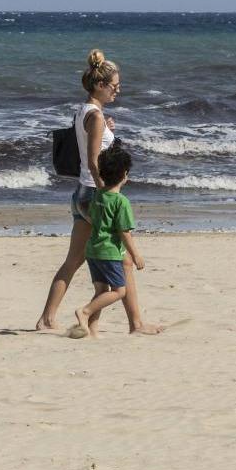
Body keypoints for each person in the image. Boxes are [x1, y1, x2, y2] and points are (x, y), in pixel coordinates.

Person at [35, 49, 161, 335]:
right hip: (93, 195)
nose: (118, 90)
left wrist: (108, 129)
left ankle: (47, 319)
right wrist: (106, 193)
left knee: (75, 260)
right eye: (114, 86)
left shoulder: (86, 111)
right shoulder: (96, 116)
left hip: (81, 194)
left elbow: (91, 143)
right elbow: (93, 160)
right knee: (124, 258)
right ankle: (135, 324)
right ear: (100, 85)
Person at [70, 140, 142, 339]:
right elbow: (124, 232)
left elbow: (88, 213)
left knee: (101, 290)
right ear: (125, 175)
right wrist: (136, 255)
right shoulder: (121, 201)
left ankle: (92, 330)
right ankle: (84, 311)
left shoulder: (99, 196)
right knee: (119, 291)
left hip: (92, 250)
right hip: (109, 252)